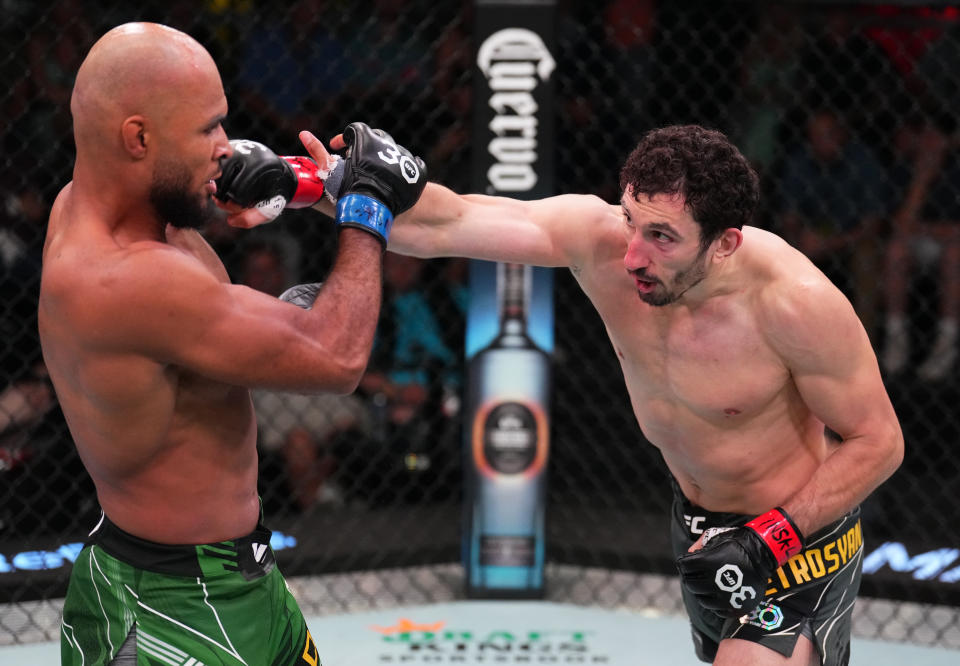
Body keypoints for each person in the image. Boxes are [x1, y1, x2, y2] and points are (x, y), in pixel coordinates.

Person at [252, 123, 901, 665]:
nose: (633, 256)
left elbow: (879, 442)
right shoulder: (603, 242)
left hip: (798, 536)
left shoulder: (794, 304)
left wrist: (770, 539)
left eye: (663, 238)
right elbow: (449, 221)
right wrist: (303, 183)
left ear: (725, 243)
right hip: (700, 526)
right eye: (632, 221)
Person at [39, 22, 425, 666]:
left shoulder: (97, 206)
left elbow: (195, 340)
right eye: (207, 129)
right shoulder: (126, 279)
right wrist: (368, 208)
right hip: (172, 609)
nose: (225, 147)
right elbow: (336, 357)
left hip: (237, 578)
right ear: (138, 137)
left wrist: (292, 186)